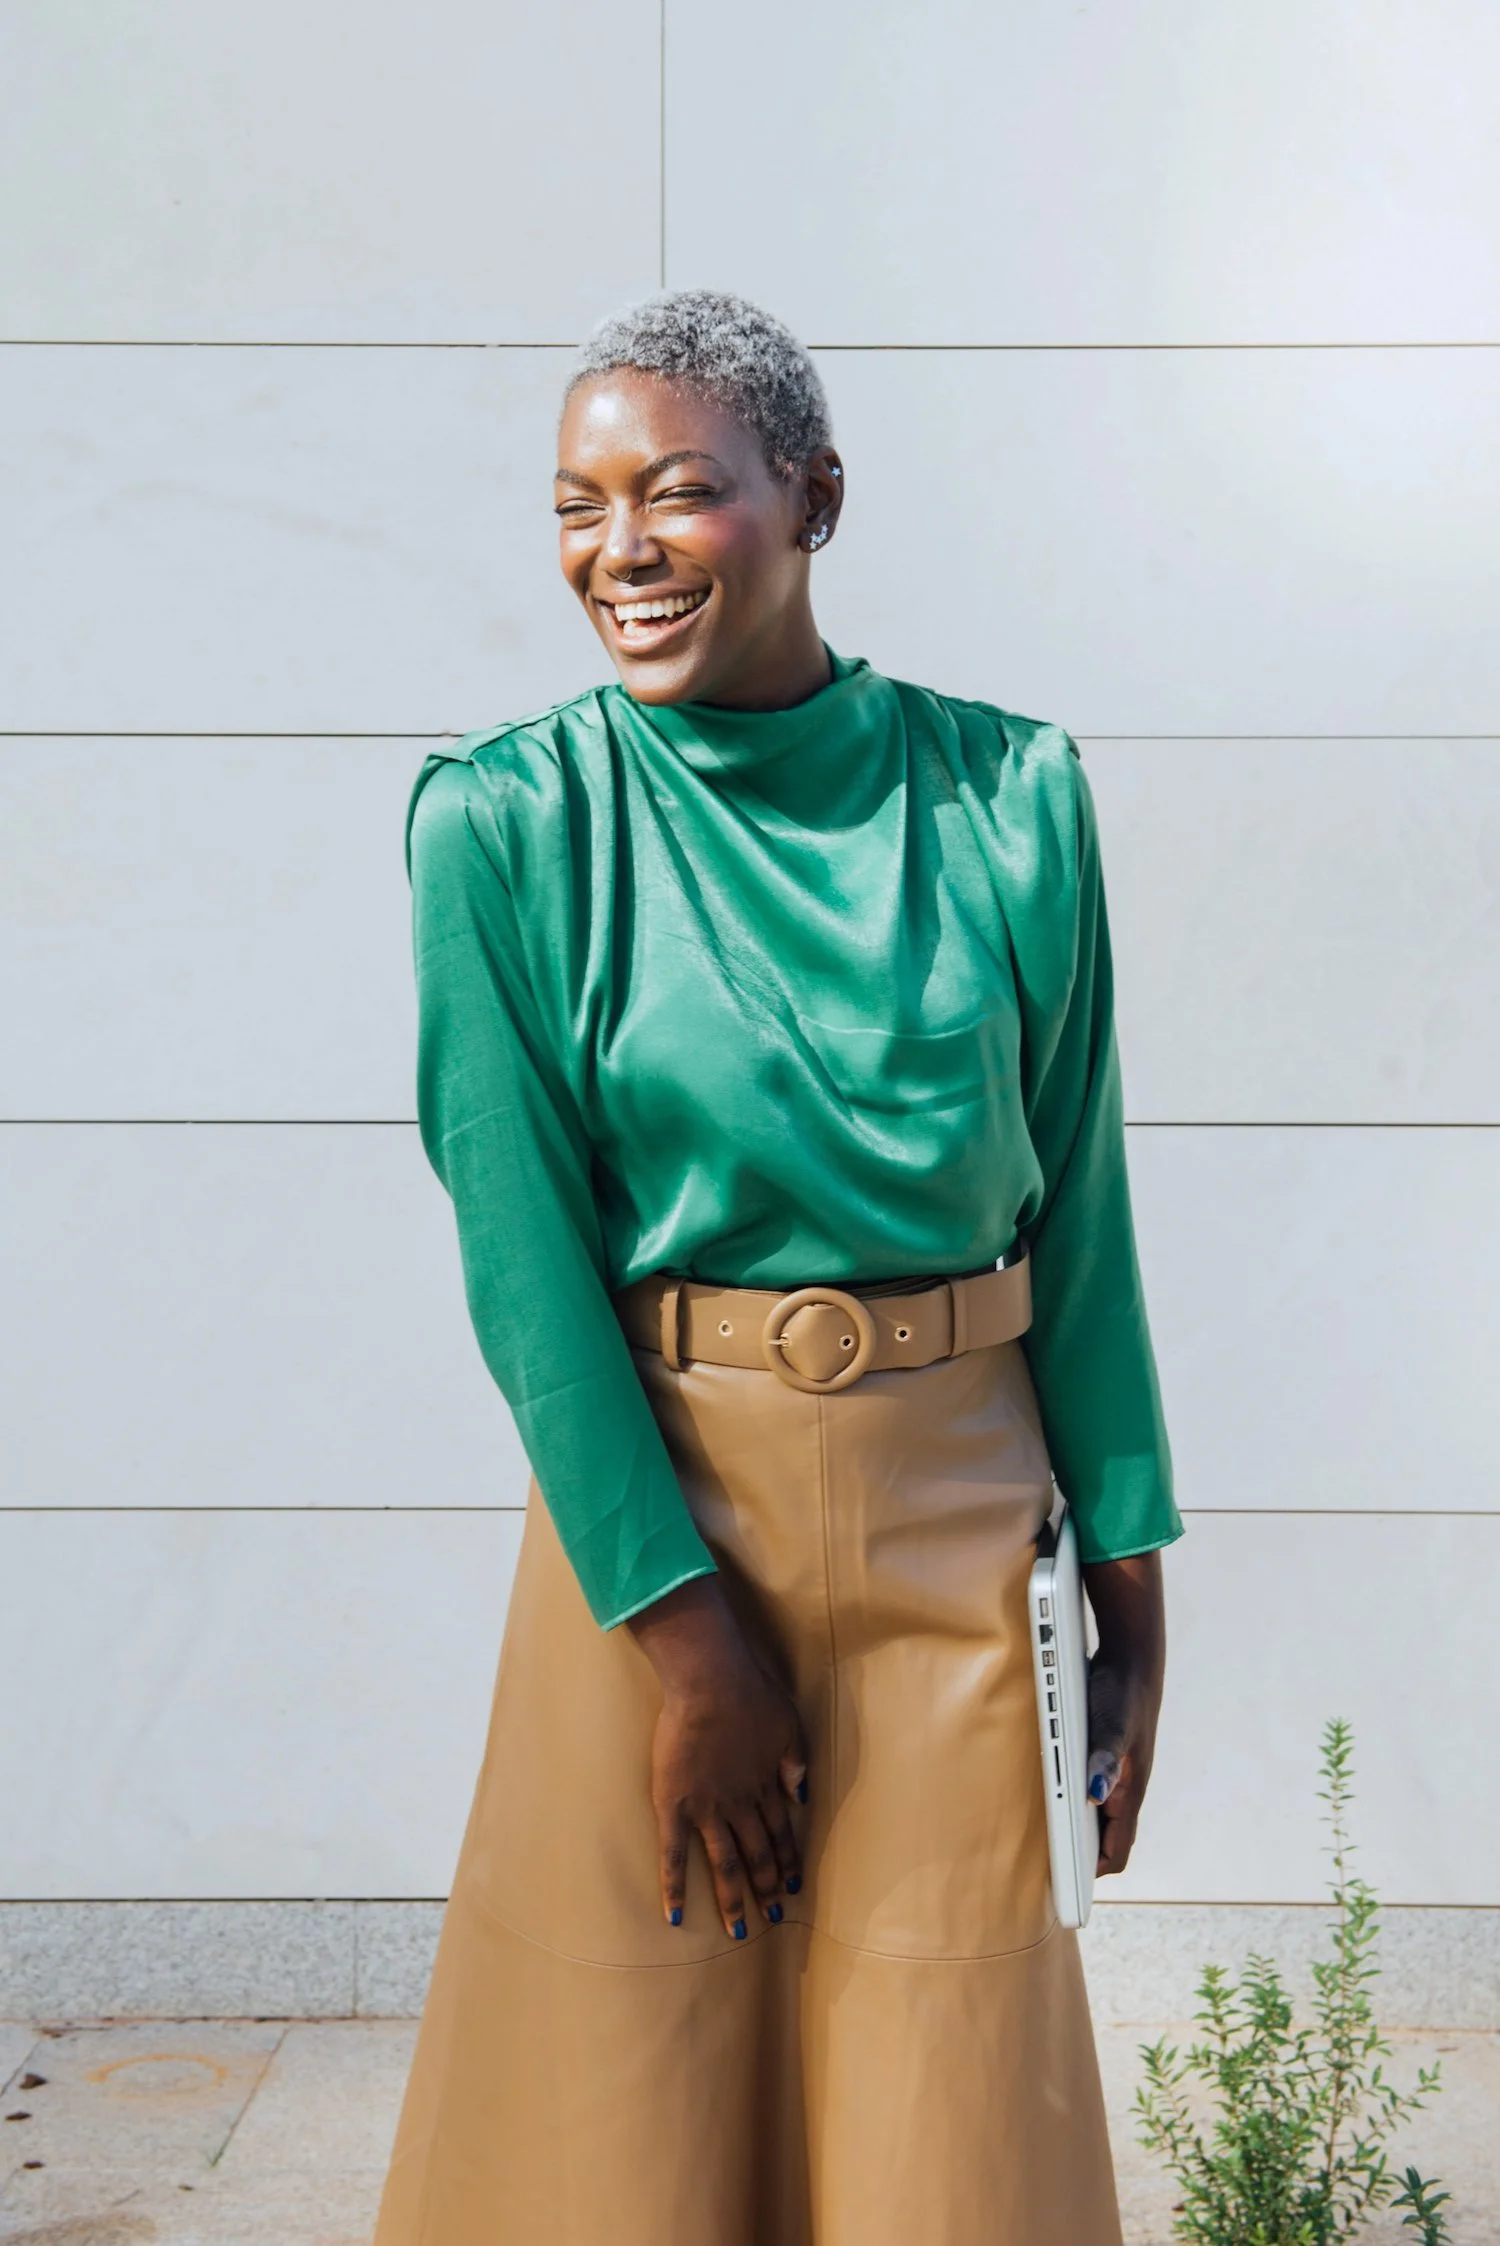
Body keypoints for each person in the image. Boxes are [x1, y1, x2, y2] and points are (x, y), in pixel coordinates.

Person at [373, 289, 1181, 2246]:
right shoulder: (506, 824)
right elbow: (525, 1265)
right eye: (578, 504)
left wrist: (1133, 1574)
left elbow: (1076, 1199)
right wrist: (682, 1631)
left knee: (949, 2110)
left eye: (679, 491)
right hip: (658, 1537)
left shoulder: (1010, 798)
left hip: (960, 1531)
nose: (618, 548)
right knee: (622, 2121)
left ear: (812, 496)